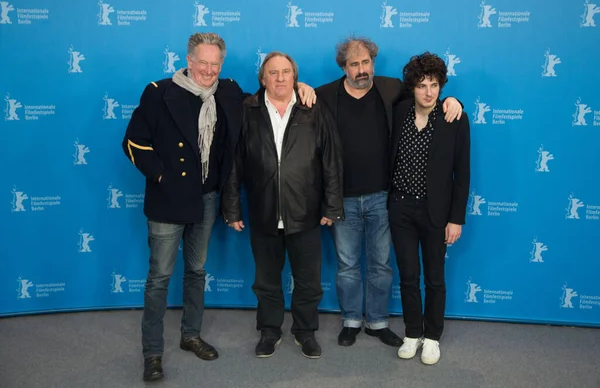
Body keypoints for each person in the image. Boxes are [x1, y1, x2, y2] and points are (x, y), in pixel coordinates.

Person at [122, 33, 316, 381]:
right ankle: (152, 352)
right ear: (189, 60)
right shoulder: (159, 92)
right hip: (167, 201)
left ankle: (191, 335)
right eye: (203, 63)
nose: (209, 70)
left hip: (206, 200)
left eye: (215, 64)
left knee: (196, 271)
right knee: (160, 278)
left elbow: (270, 95)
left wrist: (301, 86)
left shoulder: (227, 93)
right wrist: (163, 177)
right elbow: (133, 142)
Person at [315, 37, 463, 348]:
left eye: (366, 62)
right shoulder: (325, 95)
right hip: (343, 199)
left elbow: (431, 94)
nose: (361, 69)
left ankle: (378, 321)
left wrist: (455, 101)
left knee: (382, 265)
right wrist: (301, 87)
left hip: (384, 197)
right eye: (354, 64)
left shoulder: (391, 90)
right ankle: (352, 319)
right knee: (347, 265)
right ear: (343, 67)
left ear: (373, 63)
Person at [221, 51, 344, 360]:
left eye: (286, 72)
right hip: (263, 213)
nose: (279, 78)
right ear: (263, 79)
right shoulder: (246, 111)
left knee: (308, 282)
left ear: (295, 77)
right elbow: (233, 165)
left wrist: (332, 206)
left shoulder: (313, 109)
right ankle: (269, 331)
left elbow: (331, 160)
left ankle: (305, 332)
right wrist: (232, 209)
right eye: (273, 73)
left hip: (305, 213)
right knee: (266, 282)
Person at [389, 52, 470, 365]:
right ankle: (413, 333)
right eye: (422, 85)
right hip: (400, 208)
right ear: (412, 87)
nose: (428, 91)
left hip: (436, 212)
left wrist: (456, 219)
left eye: (434, 85)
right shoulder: (399, 112)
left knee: (435, 278)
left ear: (441, 87)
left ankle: (433, 336)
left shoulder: (454, 119)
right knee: (408, 276)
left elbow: (462, 175)